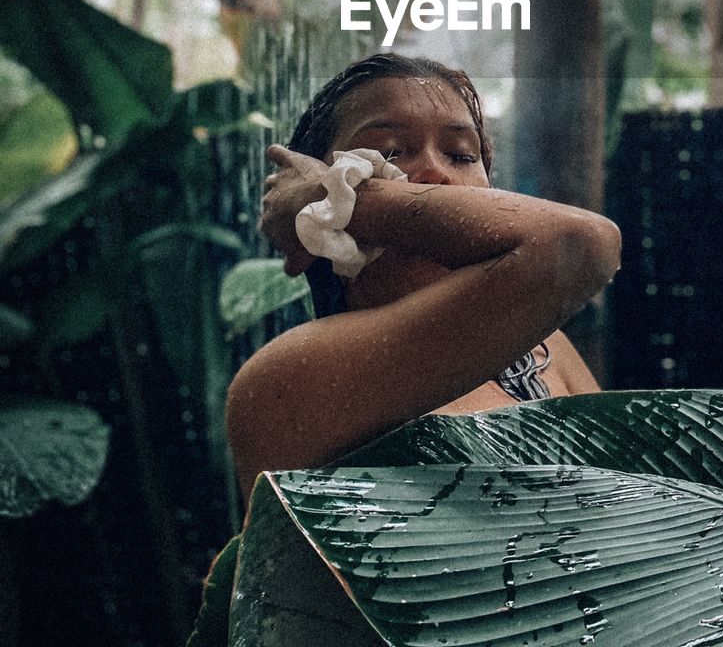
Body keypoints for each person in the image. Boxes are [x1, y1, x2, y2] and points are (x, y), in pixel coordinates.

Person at [226, 54, 621, 500]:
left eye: (461, 155)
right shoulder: (289, 375)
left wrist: (337, 199)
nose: (435, 173)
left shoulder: (543, 352)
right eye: (389, 154)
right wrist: (333, 203)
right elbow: (581, 245)